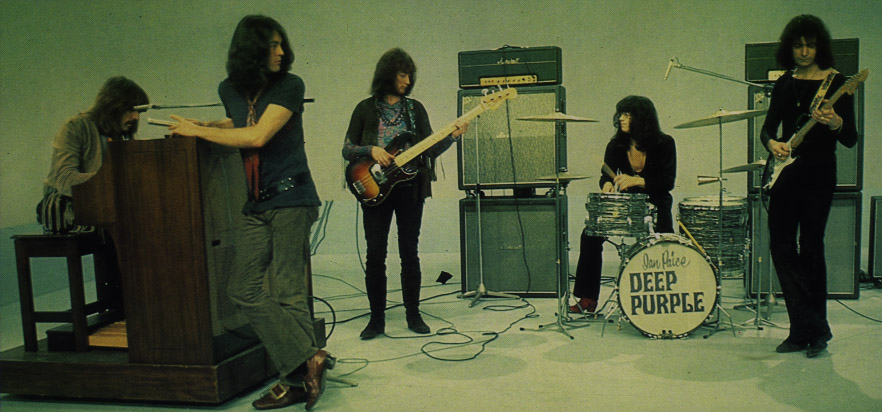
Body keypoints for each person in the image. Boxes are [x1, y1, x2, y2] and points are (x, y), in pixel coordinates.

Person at [168, 15, 331, 410]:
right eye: (272, 45)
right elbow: (240, 120)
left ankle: (295, 381)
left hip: (292, 199)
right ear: (250, 50)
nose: (281, 51)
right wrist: (205, 123)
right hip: (256, 203)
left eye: (281, 44)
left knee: (289, 292)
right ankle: (310, 359)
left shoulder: (290, 85)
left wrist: (199, 132)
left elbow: (257, 134)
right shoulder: (229, 89)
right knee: (242, 289)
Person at [342, 48, 468, 340]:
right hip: (374, 187)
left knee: (409, 252)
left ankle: (414, 314)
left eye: (410, 75)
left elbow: (430, 149)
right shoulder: (364, 108)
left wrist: (452, 136)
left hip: (410, 188)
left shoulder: (415, 109)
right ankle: (376, 320)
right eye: (402, 74)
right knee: (375, 254)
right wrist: (371, 150)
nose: (407, 80)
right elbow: (347, 149)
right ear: (388, 74)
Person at [760, 14, 857, 358]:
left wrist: (835, 121)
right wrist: (772, 144)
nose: (804, 52)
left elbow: (850, 138)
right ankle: (805, 328)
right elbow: (767, 129)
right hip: (787, 174)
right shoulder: (785, 83)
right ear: (789, 48)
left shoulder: (838, 83)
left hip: (819, 173)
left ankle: (813, 331)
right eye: (798, 45)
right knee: (781, 245)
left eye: (810, 45)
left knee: (812, 247)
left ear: (820, 47)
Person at [570, 96, 676, 313]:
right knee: (589, 235)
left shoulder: (665, 143)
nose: (621, 118)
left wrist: (639, 180)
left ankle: (665, 297)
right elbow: (605, 175)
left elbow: (668, 182)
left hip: (656, 203)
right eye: (620, 114)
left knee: (664, 244)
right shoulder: (616, 145)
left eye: (627, 114)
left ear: (642, 118)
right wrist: (607, 184)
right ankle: (588, 298)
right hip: (627, 205)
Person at [39, 76, 148, 233]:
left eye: (138, 111)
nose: (136, 117)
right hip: (72, 214)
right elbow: (64, 178)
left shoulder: (120, 132)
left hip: (104, 212)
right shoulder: (75, 127)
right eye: (130, 110)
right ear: (112, 107)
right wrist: (112, 180)